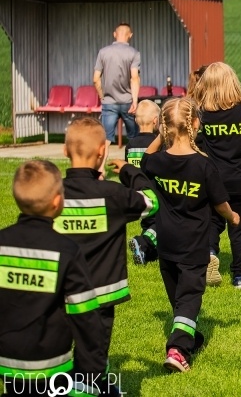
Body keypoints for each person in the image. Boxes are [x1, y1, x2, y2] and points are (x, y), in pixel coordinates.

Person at [140, 97, 239, 373]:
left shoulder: (157, 163)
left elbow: (144, 160)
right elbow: (220, 204)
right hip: (194, 246)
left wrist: (161, 136)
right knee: (189, 298)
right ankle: (178, 351)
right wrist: (232, 216)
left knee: (179, 301)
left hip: (166, 245)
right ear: (195, 124)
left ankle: (189, 337)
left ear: (164, 127)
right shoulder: (204, 165)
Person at [0, 160, 111, 396]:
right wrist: (93, 366)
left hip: (6, 360)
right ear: (56, 202)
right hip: (51, 361)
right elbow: (84, 313)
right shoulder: (66, 250)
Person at [58, 117, 159, 373]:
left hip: (62, 292)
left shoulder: (52, 194)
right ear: (102, 151)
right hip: (102, 294)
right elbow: (151, 202)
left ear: (65, 150)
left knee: (62, 354)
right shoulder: (113, 195)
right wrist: (129, 171)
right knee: (94, 356)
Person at [192, 62, 241, 289]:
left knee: (212, 223)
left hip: (211, 182)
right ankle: (239, 276)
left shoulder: (203, 116)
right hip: (239, 183)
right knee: (240, 228)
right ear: (232, 83)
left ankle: (209, 252)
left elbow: (195, 147)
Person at [93, 22, 141, 153]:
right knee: (133, 138)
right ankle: (134, 168)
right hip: (128, 102)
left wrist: (102, 96)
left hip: (109, 102)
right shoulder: (134, 53)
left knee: (105, 140)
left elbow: (96, 79)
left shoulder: (103, 52)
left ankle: (100, 170)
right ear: (130, 35)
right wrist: (135, 101)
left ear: (115, 34)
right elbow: (134, 78)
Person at [126, 100, 161, 265]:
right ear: (156, 121)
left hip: (137, 194)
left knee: (149, 224)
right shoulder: (156, 144)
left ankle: (145, 253)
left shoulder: (130, 145)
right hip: (154, 194)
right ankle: (142, 242)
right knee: (161, 225)